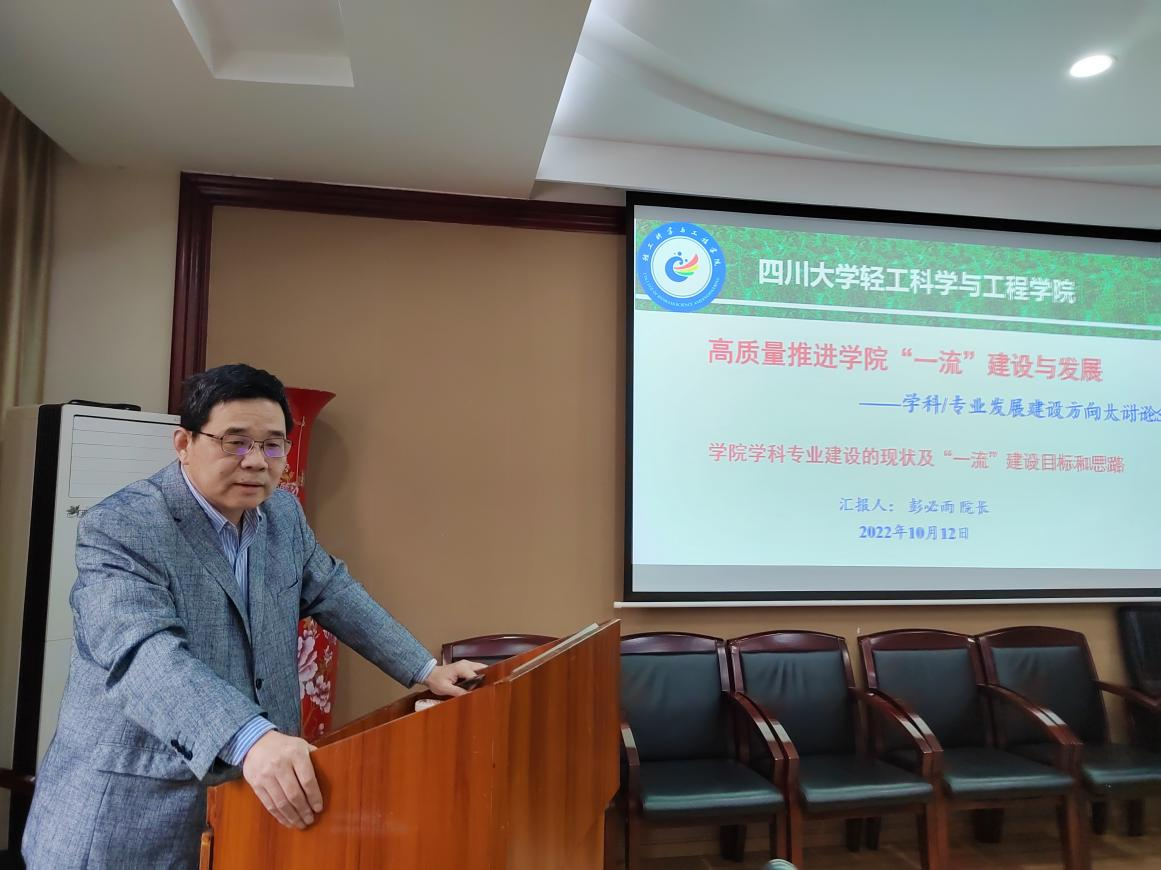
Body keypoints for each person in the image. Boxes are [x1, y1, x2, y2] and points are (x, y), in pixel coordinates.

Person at [22, 364, 482, 868]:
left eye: (272, 445)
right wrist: (252, 738)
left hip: (245, 808)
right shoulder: (124, 525)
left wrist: (424, 669)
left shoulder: (282, 514)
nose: (257, 461)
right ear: (184, 443)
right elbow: (144, 654)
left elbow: (334, 591)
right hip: (131, 814)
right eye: (235, 442)